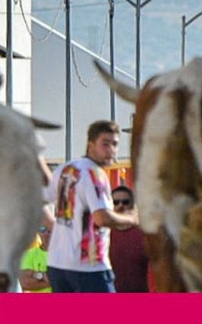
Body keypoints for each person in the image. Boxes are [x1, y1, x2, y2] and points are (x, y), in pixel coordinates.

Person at [44, 120, 138, 293]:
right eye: (105, 144)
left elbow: (39, 201)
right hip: (89, 266)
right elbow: (102, 217)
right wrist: (133, 217)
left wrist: (53, 225)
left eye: (115, 144)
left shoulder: (67, 169)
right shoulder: (95, 173)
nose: (111, 150)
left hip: (58, 264)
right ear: (90, 145)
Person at [109, 185, 151, 292]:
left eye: (125, 202)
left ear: (133, 205)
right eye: (115, 202)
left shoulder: (145, 234)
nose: (120, 206)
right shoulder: (101, 235)